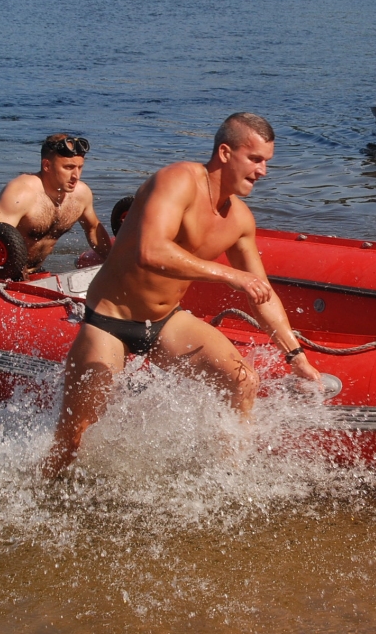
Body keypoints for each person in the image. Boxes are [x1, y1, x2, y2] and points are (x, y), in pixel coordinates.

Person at [42, 113, 321, 477]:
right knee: (74, 438)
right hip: (110, 320)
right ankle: (45, 488)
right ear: (225, 152)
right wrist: (228, 275)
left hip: (165, 321)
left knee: (243, 381)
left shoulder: (240, 221)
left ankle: (227, 480)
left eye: (267, 161)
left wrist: (295, 355)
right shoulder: (178, 181)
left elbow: (261, 293)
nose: (263, 171)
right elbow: (151, 251)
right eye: (255, 159)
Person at [0, 134, 112, 278]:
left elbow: (93, 229)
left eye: (80, 167)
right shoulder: (21, 193)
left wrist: (115, 263)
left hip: (33, 273)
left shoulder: (82, 194)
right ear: (47, 165)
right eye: (68, 167)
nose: (76, 175)